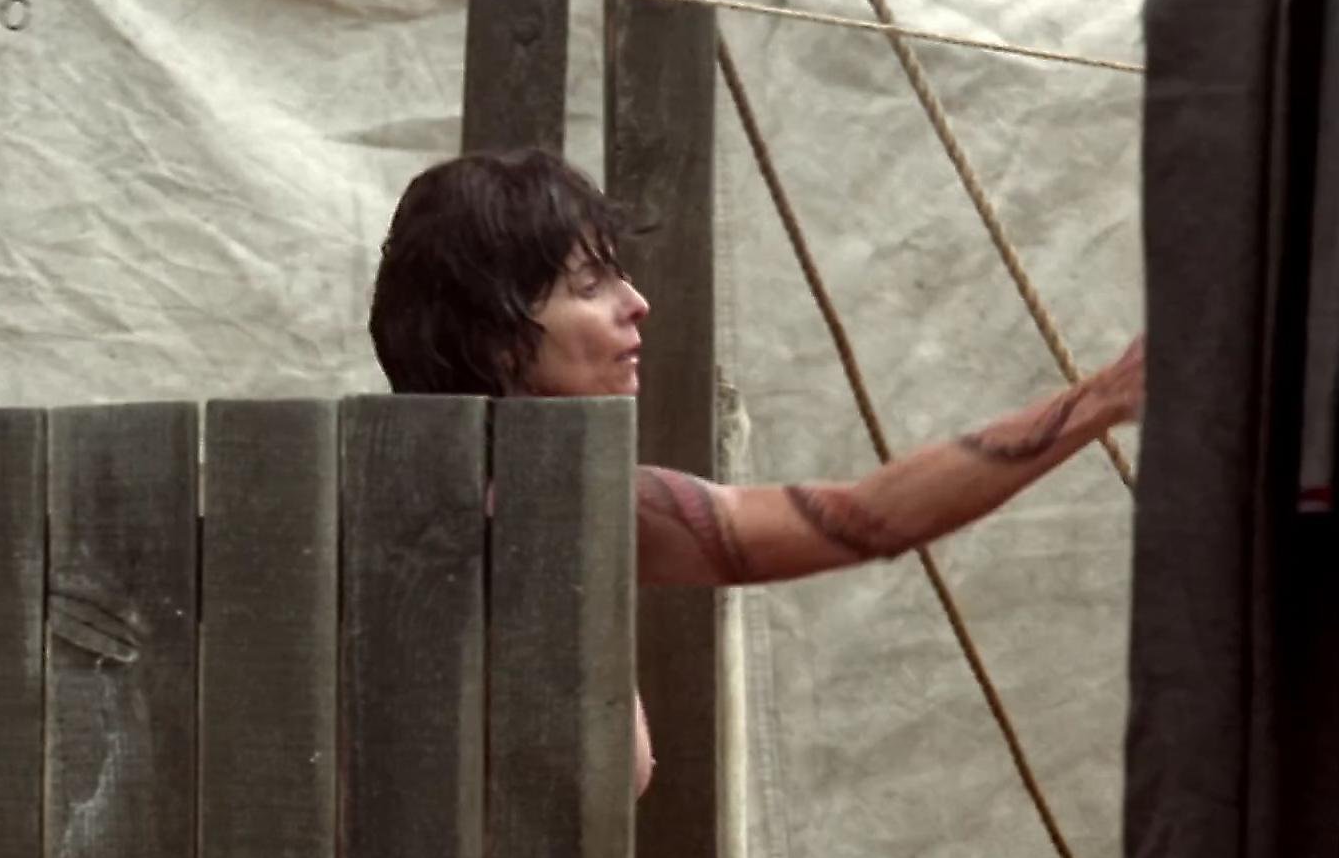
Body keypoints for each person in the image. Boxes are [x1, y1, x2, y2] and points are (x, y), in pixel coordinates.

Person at [367, 147, 1145, 798]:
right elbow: (870, 518)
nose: (636, 303)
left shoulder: (575, 503)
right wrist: (1103, 398)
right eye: (590, 286)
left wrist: (1104, 399)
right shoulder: (439, 516)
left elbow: (870, 515)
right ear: (499, 338)